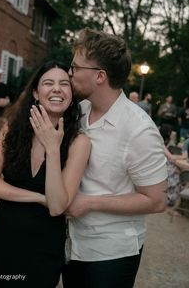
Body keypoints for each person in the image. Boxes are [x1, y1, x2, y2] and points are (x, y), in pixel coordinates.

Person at [62, 28, 168, 288]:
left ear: (100, 76)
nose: (70, 72)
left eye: (76, 66)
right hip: (70, 244)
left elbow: (156, 201)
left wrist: (89, 203)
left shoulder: (139, 130)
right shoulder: (78, 110)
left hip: (112, 253)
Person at [0, 61, 91, 287]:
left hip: (44, 244)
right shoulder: (13, 129)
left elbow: (58, 206)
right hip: (4, 236)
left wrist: (52, 148)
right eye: (48, 83)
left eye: (64, 84)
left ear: (71, 95)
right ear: (36, 93)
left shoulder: (79, 142)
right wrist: (39, 198)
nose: (57, 89)